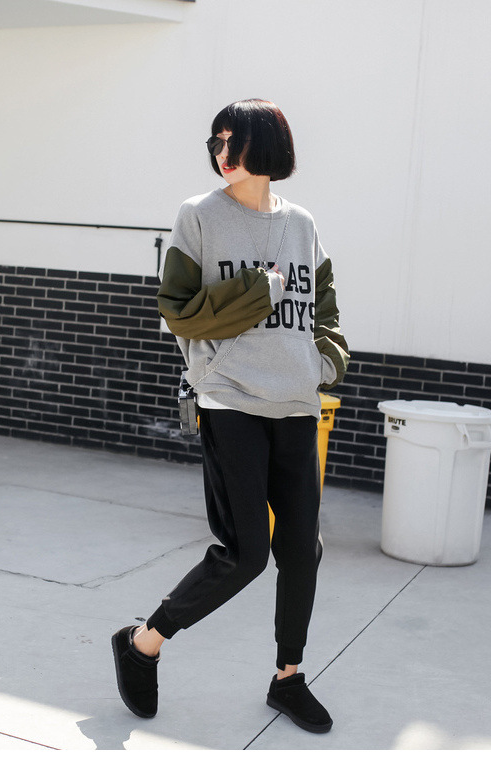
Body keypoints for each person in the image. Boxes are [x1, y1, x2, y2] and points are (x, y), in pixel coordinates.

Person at [111, 99, 349, 734]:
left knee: (301, 550)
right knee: (245, 554)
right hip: (230, 399)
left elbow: (324, 305)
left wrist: (325, 360)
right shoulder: (200, 216)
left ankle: (288, 678)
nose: (222, 153)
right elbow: (178, 310)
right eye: (215, 141)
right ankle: (143, 642)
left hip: (296, 403)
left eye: (233, 140)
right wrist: (258, 291)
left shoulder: (301, 224)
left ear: (265, 145)